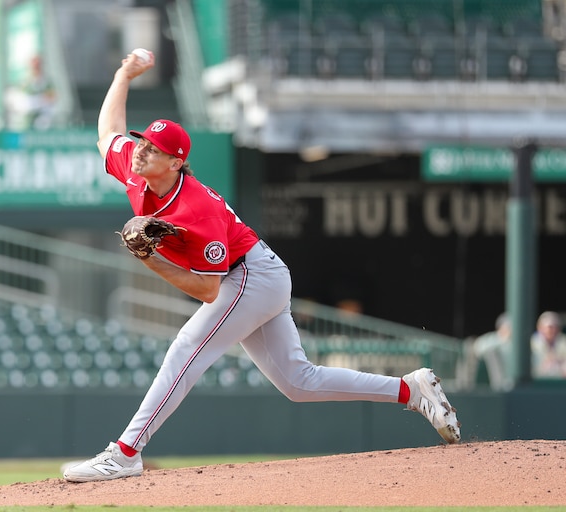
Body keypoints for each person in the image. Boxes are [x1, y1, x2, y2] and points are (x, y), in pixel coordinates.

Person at [62, 49, 461, 483]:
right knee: (298, 382)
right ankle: (411, 389)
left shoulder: (197, 209)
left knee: (187, 349)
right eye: (143, 142)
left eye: (153, 149)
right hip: (255, 274)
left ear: (176, 162)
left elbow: (208, 292)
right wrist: (123, 74)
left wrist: (148, 257)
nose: (140, 151)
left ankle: (125, 452)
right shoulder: (137, 170)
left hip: (250, 274)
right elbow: (107, 132)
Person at [4, 55, 58, 130]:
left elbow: (52, 98)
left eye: (38, 65)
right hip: (26, 122)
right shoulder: (24, 82)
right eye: (34, 65)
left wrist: (38, 101)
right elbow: (17, 100)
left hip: (43, 121)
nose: (36, 68)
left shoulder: (47, 82)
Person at [473, 312, 514, 391]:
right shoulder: (494, 338)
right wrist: (502, 340)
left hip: (515, 383)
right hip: (499, 384)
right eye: (508, 327)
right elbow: (477, 347)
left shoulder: (515, 343)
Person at [531, 311, 566, 378]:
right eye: (550, 327)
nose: (553, 330)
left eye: (556, 327)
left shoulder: (563, 341)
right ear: (540, 328)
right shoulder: (532, 343)